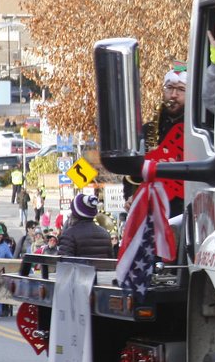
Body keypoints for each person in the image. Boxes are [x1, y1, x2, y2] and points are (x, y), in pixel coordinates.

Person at [124, 62, 187, 218]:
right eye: (169, 88)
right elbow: (132, 173)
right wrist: (130, 197)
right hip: (150, 212)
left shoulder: (198, 129)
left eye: (181, 89)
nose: (173, 95)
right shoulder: (147, 130)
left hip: (183, 209)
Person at [58, 194, 114, 258]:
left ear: (75, 214)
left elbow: (64, 264)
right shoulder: (105, 234)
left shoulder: (69, 234)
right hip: (101, 268)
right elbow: (111, 262)